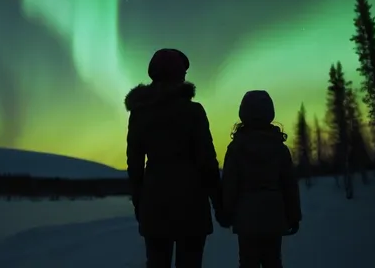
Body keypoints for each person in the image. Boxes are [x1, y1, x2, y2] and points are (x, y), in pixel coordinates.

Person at [125, 48, 225, 267]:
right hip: (192, 205)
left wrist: (139, 202)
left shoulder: (139, 114)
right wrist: (219, 202)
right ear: (179, 76)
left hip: (154, 204)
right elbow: (207, 161)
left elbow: (134, 165)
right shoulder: (193, 112)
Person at [221, 90, 302, 268]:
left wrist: (226, 213)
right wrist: (294, 215)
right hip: (273, 214)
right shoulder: (279, 148)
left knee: (248, 262)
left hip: (246, 215)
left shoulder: (236, 148)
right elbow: (289, 185)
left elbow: (229, 184)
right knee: (273, 260)